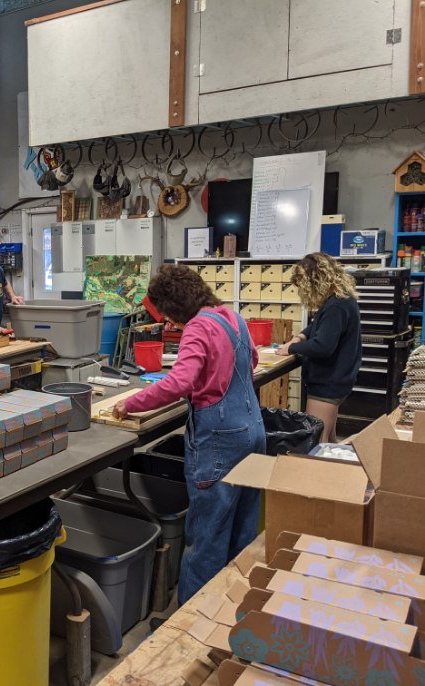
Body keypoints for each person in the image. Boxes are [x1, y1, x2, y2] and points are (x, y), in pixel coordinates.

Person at [112, 265, 264, 605]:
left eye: (166, 313)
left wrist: (131, 402)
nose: (167, 321)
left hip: (221, 439)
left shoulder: (198, 327)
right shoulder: (233, 318)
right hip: (253, 430)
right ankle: (235, 609)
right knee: (243, 530)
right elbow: (251, 360)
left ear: (175, 306)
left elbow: (180, 382)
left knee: (208, 537)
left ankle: (193, 622)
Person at [275, 252, 361, 443]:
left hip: (327, 385)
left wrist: (291, 349)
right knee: (329, 440)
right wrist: (300, 336)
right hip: (336, 381)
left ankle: (320, 473)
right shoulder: (340, 299)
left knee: (315, 443)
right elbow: (319, 326)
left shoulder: (336, 306)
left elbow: (323, 346)